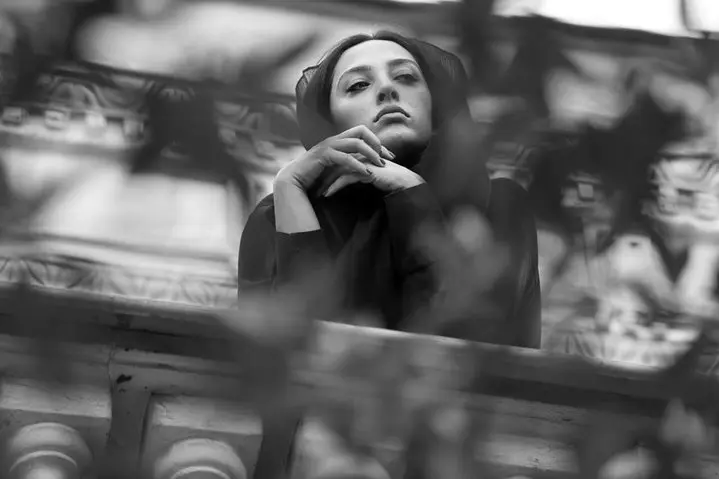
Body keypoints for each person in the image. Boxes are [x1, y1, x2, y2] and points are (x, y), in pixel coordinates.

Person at [238, 30, 540, 347]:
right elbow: (285, 352)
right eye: (358, 85)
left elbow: (477, 346)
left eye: (406, 77)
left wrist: (412, 195)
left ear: (435, 107)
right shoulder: (275, 217)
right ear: (329, 123)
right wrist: (289, 188)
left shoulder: (499, 205)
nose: (386, 89)